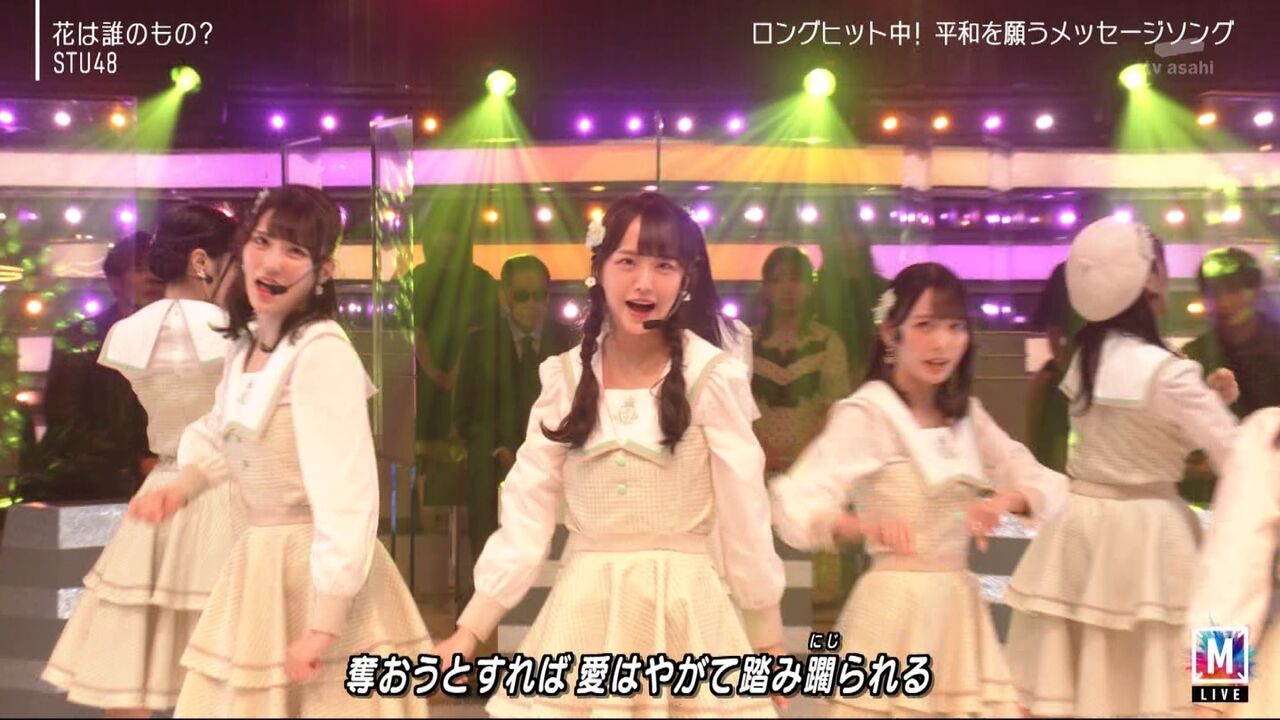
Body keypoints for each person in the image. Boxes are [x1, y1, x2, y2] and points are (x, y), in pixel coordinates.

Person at [432, 192, 787, 717]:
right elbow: (527, 513)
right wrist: (470, 630)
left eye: (664, 265)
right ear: (598, 269)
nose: (644, 282)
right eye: (628, 262)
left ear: (686, 279)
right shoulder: (565, 377)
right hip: (585, 615)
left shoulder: (712, 377)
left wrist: (767, 638)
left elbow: (744, 514)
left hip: (685, 615)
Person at [129, 185, 432, 717]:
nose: (271, 262)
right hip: (259, 562)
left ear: (322, 271)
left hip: (315, 571)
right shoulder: (247, 344)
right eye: (263, 241)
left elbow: (346, 493)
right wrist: (182, 487)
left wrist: (324, 624)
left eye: (294, 251)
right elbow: (223, 430)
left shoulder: (322, 353)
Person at [771, 261, 1068, 717]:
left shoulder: (966, 417)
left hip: (959, 609)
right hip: (892, 611)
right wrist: (862, 526)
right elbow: (796, 499)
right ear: (892, 333)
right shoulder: (868, 411)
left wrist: (1004, 501)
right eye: (925, 325)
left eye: (955, 327)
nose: (942, 342)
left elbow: (1046, 483)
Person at [1004, 218, 1240, 717]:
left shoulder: (1086, 359)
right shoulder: (1170, 373)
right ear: (1150, 278)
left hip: (1081, 527)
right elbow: (1238, 457)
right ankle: (1223, 701)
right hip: (1156, 529)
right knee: (1212, 624)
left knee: (1087, 680)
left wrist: (1207, 400)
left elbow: (1140, 437)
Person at [41, 203, 238, 718]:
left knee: (135, 662)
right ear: (202, 261)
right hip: (226, 488)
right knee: (227, 659)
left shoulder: (126, 332)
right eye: (232, 261)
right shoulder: (236, 332)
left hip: (162, 486)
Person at [453, 253, 575, 595]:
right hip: (492, 464)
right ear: (503, 296)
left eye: (540, 295)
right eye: (522, 295)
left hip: (553, 468)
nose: (532, 304)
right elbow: (463, 413)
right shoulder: (479, 343)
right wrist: (499, 449)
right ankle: (484, 614)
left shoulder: (568, 343)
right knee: (490, 551)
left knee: (551, 559)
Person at [41, 232, 166, 500]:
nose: (153, 277)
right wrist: (137, 459)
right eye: (140, 269)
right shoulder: (80, 339)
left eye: (159, 267)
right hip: (98, 486)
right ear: (115, 282)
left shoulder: (185, 337)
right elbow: (65, 421)